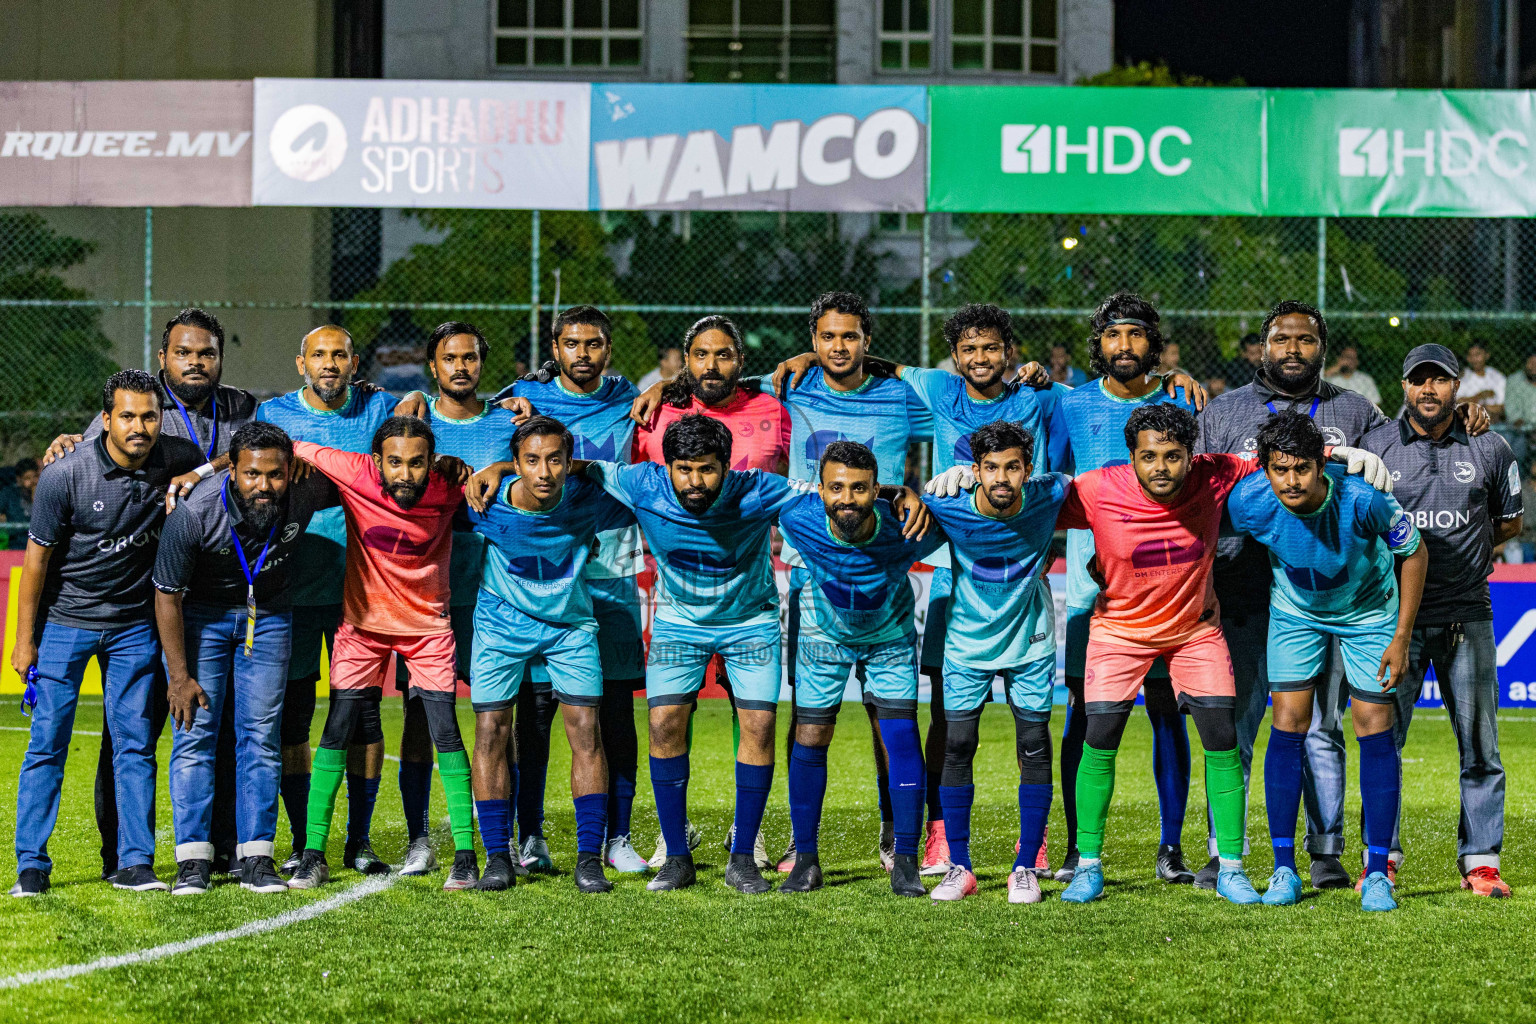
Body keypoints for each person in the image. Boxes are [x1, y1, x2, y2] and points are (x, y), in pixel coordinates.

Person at [1195, 300, 1490, 891]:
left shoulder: (1356, 412)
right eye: (1282, 339)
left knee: (1330, 729)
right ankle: (1228, 854)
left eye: (1306, 340)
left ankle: (1328, 852)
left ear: (1322, 349)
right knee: (1243, 726)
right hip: (1252, 594)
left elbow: (1409, 441)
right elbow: (1199, 501)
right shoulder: (1224, 412)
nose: (1293, 349)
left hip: (1354, 597)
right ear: (1263, 346)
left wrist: (1459, 417)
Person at [1052, 403, 1390, 906]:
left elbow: (1281, 460)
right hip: (1120, 632)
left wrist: (1340, 455)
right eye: (1149, 456)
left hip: (1195, 631)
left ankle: (1231, 867)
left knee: (1223, 738)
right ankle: (1088, 866)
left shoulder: (1216, 474)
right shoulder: (1099, 488)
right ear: (1131, 457)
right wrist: (965, 483)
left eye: (1173, 456)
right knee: (1098, 738)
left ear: (1193, 456)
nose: (1161, 467)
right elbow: (1031, 502)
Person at [45, 308, 261, 879]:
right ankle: (119, 856)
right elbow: (91, 454)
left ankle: (221, 849)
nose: (195, 362)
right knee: (131, 732)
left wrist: (205, 469)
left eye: (207, 353)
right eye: (183, 352)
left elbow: (268, 448)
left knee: (218, 725)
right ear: (163, 358)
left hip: (217, 591)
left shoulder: (242, 408)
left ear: (220, 358)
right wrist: (67, 441)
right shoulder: (138, 404)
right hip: (147, 600)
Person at [746, 291, 933, 873]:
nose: (838, 347)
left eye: (850, 336)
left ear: (867, 341)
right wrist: (660, 389)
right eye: (826, 337)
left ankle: (894, 832)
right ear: (812, 339)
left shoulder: (900, 396)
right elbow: (720, 387)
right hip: (810, 567)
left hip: (881, 558)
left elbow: (967, 402)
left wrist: (909, 490)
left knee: (889, 718)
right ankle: (801, 842)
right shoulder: (790, 385)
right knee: (810, 717)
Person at [10, 370, 203, 896]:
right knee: (47, 744)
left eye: (149, 416)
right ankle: (31, 866)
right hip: (65, 624)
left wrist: (212, 467)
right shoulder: (64, 474)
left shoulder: (179, 457)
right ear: (106, 419)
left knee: (135, 746)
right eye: (127, 416)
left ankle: (134, 863)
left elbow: (233, 461)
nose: (139, 427)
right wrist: (25, 641)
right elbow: (35, 564)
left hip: (133, 627)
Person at [1224, 412, 1426, 912]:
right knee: (1288, 723)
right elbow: (1205, 533)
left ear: (1321, 466)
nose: (1291, 481)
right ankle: (1284, 870)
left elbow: (1416, 553)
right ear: (1265, 469)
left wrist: (1401, 637)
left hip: (1369, 613)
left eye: (1302, 469)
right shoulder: (1249, 500)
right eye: (1280, 469)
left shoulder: (1363, 499)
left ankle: (1376, 874)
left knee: (1372, 724)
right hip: (1296, 613)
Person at [284, 418, 477, 891]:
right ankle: (313, 854)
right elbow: (284, 444)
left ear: (431, 461)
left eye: (417, 463)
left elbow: (513, 476)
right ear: (377, 462)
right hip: (362, 628)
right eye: (395, 463)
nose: (405, 474)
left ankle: (466, 857)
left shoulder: (450, 485)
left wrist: (486, 469)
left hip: (428, 630)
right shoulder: (355, 471)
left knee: (446, 732)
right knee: (336, 728)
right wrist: (202, 471)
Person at [1360, 343, 1523, 898]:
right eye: (1418, 380)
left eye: (1439, 380)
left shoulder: (1490, 446)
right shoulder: (1376, 446)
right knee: (1383, 743)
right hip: (1391, 621)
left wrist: (1464, 550)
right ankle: (1381, 858)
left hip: (1467, 614)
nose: (1428, 389)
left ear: (1457, 387)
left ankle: (1481, 861)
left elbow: (1509, 523)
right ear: (1404, 386)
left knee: (1480, 746)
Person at [629, 315, 791, 869]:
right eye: (701, 355)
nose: (712, 365)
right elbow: (614, 475)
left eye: (724, 355)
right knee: (667, 718)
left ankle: (749, 835)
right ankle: (673, 835)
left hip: (750, 601)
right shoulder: (655, 414)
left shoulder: (774, 408)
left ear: (741, 361)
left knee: (757, 719)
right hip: (680, 605)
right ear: (685, 361)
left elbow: (804, 479)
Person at [152, 421, 340, 896]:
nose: (264, 485)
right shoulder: (193, 512)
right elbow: (167, 597)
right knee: (195, 735)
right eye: (252, 474)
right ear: (232, 471)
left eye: (275, 474)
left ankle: (256, 856)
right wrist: (179, 676)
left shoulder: (306, 489)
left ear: (290, 469)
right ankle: (192, 862)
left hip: (270, 617)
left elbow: (362, 479)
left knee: (261, 737)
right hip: (203, 618)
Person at [494, 307, 649, 876]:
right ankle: (531, 835)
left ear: (609, 348)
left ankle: (617, 837)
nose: (583, 353)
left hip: (612, 570)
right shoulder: (525, 399)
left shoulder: (631, 398)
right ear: (554, 348)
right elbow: (476, 424)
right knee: (535, 714)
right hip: (546, 575)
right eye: (572, 343)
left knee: (615, 710)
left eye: (594, 344)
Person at [1055, 293, 1200, 886]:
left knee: (1168, 713)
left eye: (1135, 334)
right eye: (1113, 334)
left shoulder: (1182, 399)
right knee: (1084, 715)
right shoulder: (1070, 404)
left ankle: (1172, 848)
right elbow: (1054, 488)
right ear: (1099, 343)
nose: (1124, 345)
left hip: (1167, 588)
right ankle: (1077, 847)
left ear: (1153, 342)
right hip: (1092, 592)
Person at [462, 416, 635, 893]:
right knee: (490, 730)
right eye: (532, 461)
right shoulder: (484, 502)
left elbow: (630, 485)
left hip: (569, 628)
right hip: (500, 628)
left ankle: (589, 860)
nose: (544, 472)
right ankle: (498, 858)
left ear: (568, 461)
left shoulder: (588, 496)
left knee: (585, 729)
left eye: (555, 460)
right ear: (515, 463)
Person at [255, 326, 399, 877]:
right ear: (302, 364)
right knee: (293, 719)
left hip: (359, 592)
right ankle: (301, 840)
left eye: (340, 354)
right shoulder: (273, 415)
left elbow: (429, 420)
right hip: (289, 594)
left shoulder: (379, 408)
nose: (330, 363)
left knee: (363, 717)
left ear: (355, 363)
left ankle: (360, 841)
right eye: (319, 354)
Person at [774, 440, 942, 897]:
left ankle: (905, 860)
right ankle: (805, 860)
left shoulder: (909, 525)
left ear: (875, 489)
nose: (847, 499)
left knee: (900, 736)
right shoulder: (798, 516)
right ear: (820, 490)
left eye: (860, 489)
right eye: (836, 488)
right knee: (811, 735)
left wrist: (909, 494)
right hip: (823, 636)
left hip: (888, 639)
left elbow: (972, 518)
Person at [921, 422, 1069, 905]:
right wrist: (912, 490)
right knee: (957, 745)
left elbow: (1104, 490)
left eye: (1012, 467)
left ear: (1029, 469)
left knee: (1034, 745)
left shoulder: (1050, 494)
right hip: (967, 642)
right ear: (975, 469)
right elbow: (899, 512)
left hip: (1030, 639)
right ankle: (960, 866)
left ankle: (1026, 865)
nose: (1001, 478)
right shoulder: (947, 503)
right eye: (990, 467)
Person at [391, 322, 519, 878]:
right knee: (420, 715)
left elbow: (541, 462)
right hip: (427, 590)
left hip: (496, 587)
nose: (461, 367)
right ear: (433, 366)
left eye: (470, 357)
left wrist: (502, 466)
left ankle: (506, 836)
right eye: (450, 358)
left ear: (482, 364)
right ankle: (418, 838)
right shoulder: (413, 424)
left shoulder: (507, 421)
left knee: (499, 717)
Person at [1498, 353, 1536, 463]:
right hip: (1522, 430)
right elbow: (1512, 412)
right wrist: (1527, 429)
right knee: (1514, 441)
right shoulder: (1514, 380)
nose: (1534, 366)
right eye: (1531, 363)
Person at [1323, 344, 1383, 409]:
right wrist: (1335, 369)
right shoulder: (1329, 378)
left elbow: (1375, 405)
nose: (1349, 361)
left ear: (1357, 362)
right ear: (1339, 359)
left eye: (1352, 358)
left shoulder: (1365, 380)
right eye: (1346, 357)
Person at [1460, 340, 1506, 420]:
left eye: (1477, 354)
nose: (1474, 359)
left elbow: (1502, 406)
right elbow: (1458, 404)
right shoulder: (1463, 377)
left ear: (1487, 355)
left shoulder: (1497, 377)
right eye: (1470, 355)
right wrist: (1480, 396)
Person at [0, 457, 38, 550]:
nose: (32, 482)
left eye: (35, 477)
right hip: (17, 546)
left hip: (39, 546)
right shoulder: (9, 494)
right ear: (19, 479)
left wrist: (36, 499)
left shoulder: (44, 494)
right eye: (27, 478)